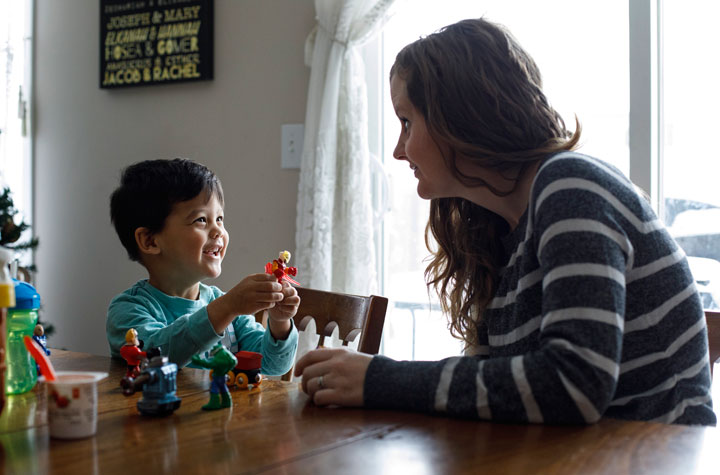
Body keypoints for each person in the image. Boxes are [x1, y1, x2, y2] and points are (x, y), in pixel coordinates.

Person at [294, 18, 716, 426]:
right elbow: (496, 387)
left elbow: (574, 385)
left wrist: (380, 379)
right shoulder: (500, 235)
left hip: (656, 457)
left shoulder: (570, 186)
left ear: (458, 117)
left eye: (407, 122)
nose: (398, 151)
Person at [107, 158, 299, 376]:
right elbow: (156, 357)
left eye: (219, 219)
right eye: (201, 220)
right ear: (150, 241)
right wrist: (226, 308)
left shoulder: (226, 306)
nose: (218, 231)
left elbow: (272, 365)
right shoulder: (128, 310)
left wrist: (280, 323)